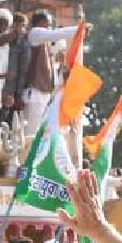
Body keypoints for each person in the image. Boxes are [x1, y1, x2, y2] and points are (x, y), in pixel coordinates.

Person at [20, 12, 80, 148]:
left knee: (41, 137)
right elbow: (55, 34)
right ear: (40, 23)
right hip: (34, 94)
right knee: (30, 135)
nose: (49, 27)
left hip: (44, 96)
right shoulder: (35, 34)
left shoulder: (46, 44)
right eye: (47, 24)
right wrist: (78, 29)